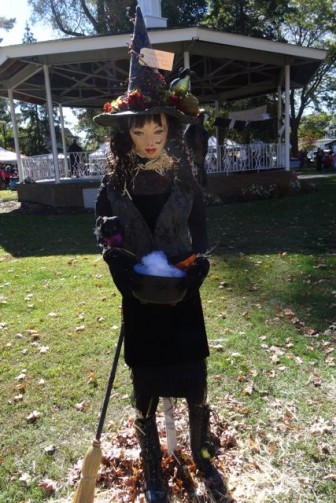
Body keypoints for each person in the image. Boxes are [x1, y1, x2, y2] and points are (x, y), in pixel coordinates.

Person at [93, 7, 230, 503]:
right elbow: (104, 227)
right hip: (139, 295)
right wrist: (115, 259)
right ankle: (153, 468)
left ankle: (201, 452)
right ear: (123, 132)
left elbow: (200, 225)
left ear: (170, 128)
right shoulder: (113, 178)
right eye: (138, 133)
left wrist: (201, 264)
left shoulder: (183, 172)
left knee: (194, 381)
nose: (150, 142)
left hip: (182, 291)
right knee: (146, 389)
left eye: (158, 133)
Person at [184, 110, 209, 187]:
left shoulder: (196, 128)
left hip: (197, 151)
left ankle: (200, 185)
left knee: (198, 168)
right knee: (197, 168)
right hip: (196, 150)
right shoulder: (195, 128)